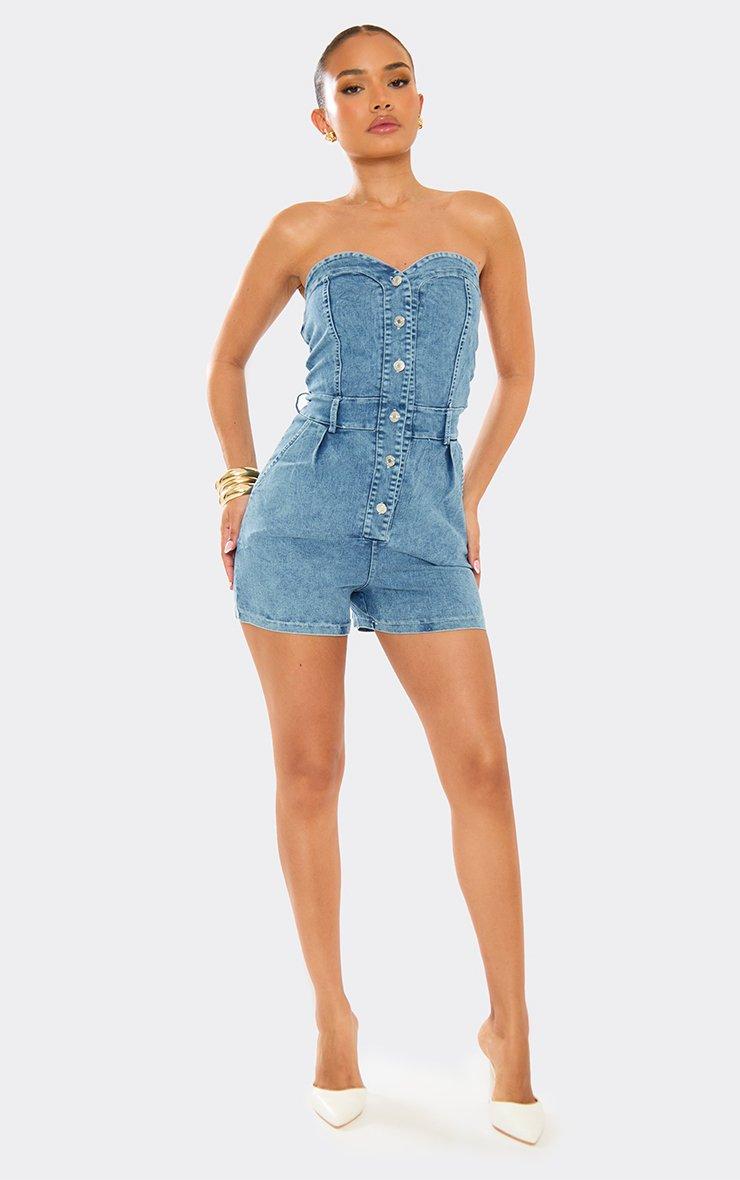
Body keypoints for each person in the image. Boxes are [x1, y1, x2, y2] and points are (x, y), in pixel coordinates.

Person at [207, 24, 544, 1144]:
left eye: (395, 78)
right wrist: (238, 484)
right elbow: (225, 362)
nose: (378, 97)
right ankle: (332, 1018)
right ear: (325, 120)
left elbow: (518, 374)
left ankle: (511, 1031)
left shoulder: (482, 221)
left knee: (481, 768)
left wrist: (468, 496)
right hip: (298, 518)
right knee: (310, 771)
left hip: (426, 529)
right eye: (351, 87)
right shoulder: (299, 230)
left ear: (421, 100)